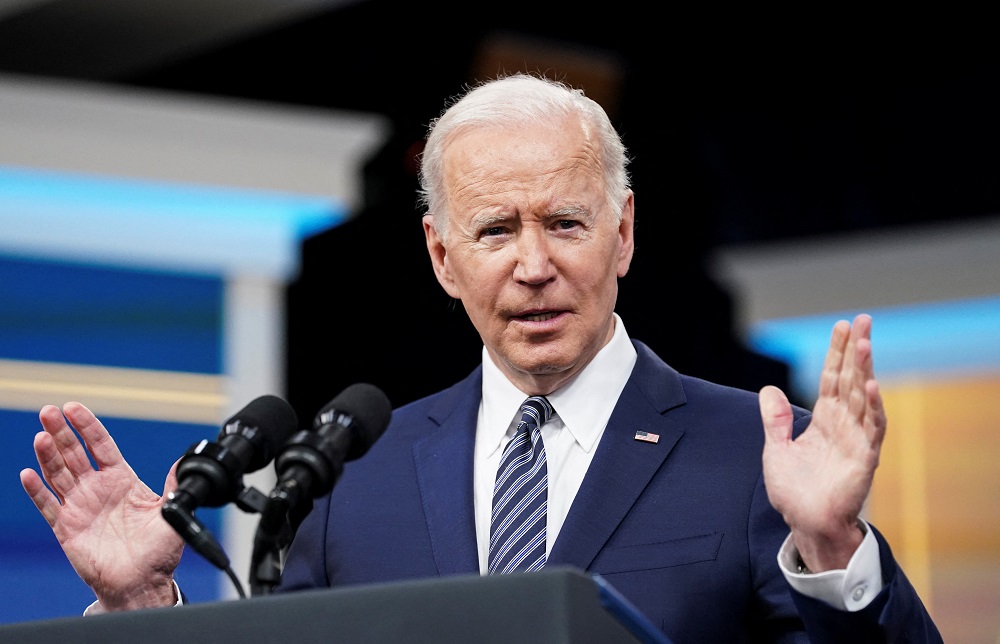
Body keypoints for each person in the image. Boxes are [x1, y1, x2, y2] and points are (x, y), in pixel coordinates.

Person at [20, 73, 942, 642]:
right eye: (496, 229)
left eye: (565, 223)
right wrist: (142, 608)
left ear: (623, 233)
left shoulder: (756, 451)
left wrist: (833, 549)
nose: (533, 265)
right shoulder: (353, 480)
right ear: (441, 257)